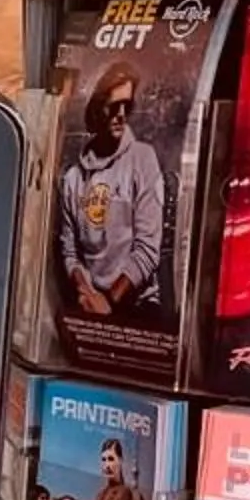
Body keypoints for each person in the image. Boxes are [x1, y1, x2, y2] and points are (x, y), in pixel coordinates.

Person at [58, 64, 166, 320]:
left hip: (135, 305)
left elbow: (148, 249)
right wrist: (87, 293)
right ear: (98, 109)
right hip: (92, 305)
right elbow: (70, 252)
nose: (121, 115)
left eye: (127, 106)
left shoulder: (142, 159)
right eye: (113, 106)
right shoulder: (74, 178)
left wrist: (109, 303)